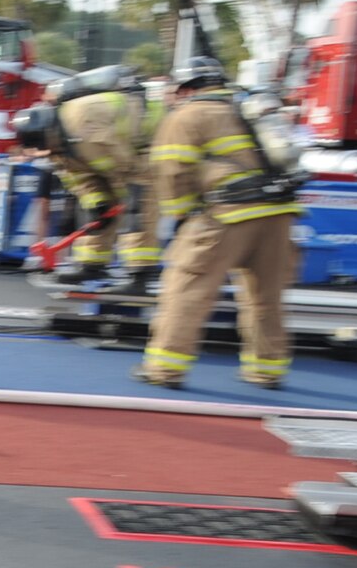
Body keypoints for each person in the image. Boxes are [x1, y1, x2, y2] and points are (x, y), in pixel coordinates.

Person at [134, 56, 303, 390]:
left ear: (184, 89)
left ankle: (164, 368)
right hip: (279, 215)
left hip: (227, 215)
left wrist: (181, 215)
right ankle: (266, 370)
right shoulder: (247, 109)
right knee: (266, 297)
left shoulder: (187, 116)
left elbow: (172, 171)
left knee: (188, 289)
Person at [16, 68, 162, 293]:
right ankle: (91, 265)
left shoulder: (84, 129)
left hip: (152, 142)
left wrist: (126, 197)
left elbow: (128, 169)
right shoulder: (58, 142)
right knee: (94, 210)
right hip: (125, 151)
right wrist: (97, 201)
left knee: (137, 208)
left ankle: (141, 274)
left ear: (48, 134)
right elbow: (79, 177)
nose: (43, 152)